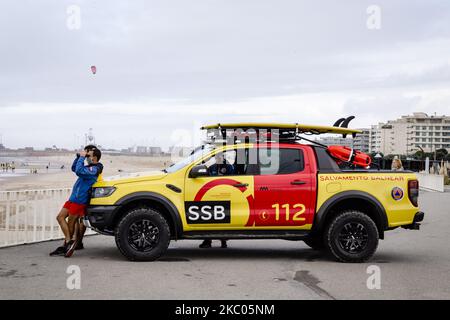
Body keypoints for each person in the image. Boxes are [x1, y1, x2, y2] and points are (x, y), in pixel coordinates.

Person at [50, 145, 103, 257]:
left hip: (79, 200)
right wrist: (78, 157)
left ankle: (69, 244)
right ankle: (69, 241)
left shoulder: (95, 169)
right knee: (60, 217)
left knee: (71, 223)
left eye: (89, 155)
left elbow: (79, 171)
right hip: (73, 198)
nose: (87, 157)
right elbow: (74, 168)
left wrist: (82, 158)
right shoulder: (88, 167)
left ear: (94, 158)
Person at [199, 152, 233, 249]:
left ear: (223, 157)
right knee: (210, 219)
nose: (218, 158)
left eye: (220, 156)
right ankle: (207, 241)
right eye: (217, 157)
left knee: (222, 220)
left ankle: (223, 242)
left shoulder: (229, 167)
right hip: (213, 195)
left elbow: (233, 180)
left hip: (225, 195)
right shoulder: (212, 167)